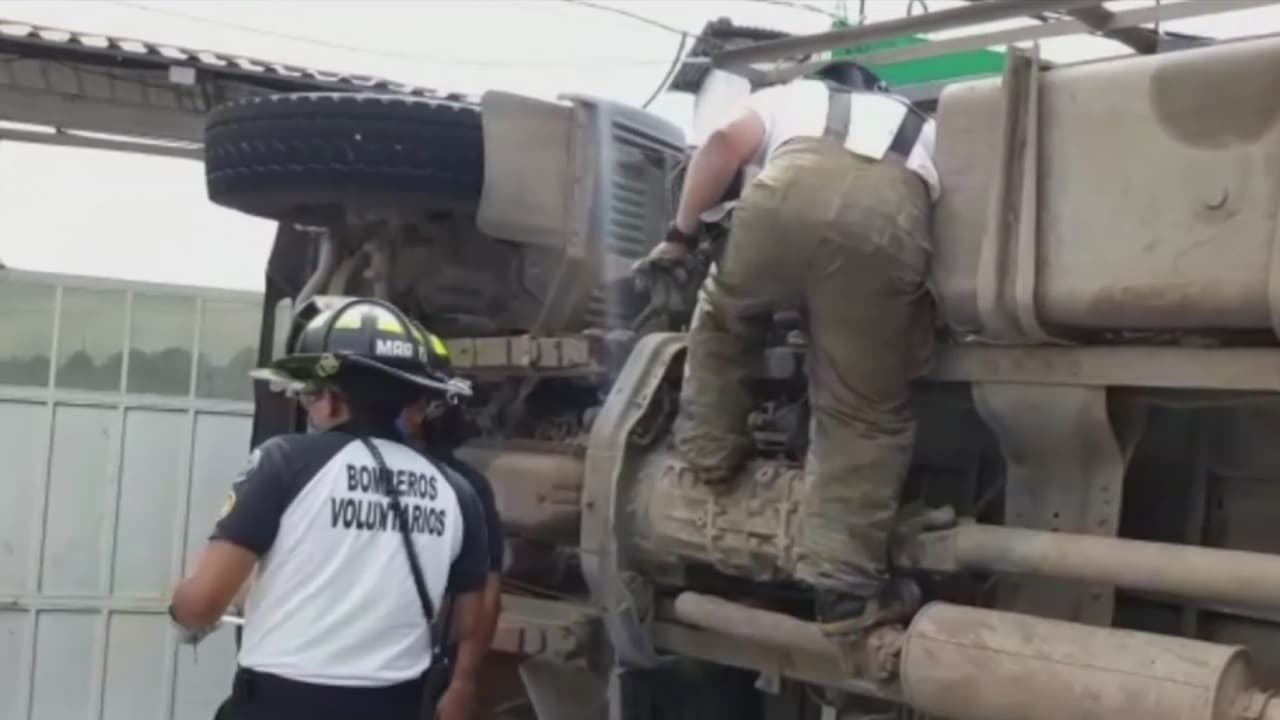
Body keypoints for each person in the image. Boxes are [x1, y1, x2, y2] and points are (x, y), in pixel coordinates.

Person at [639, 59, 940, 629]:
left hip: (779, 203)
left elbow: (721, 145)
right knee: (863, 413)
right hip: (884, 224)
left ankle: (707, 457)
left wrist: (679, 238)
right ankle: (842, 588)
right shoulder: (922, 126)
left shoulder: (788, 96)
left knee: (724, 322)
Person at [168, 297, 490, 720]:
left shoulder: (286, 461)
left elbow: (201, 607)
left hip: (281, 706)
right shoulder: (459, 491)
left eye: (307, 392)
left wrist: (178, 601)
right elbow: (466, 621)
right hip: (397, 706)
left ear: (332, 399)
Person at [397, 326, 505, 706]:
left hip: (417, 674)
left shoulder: (463, 488)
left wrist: (463, 682)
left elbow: (485, 594)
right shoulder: (466, 486)